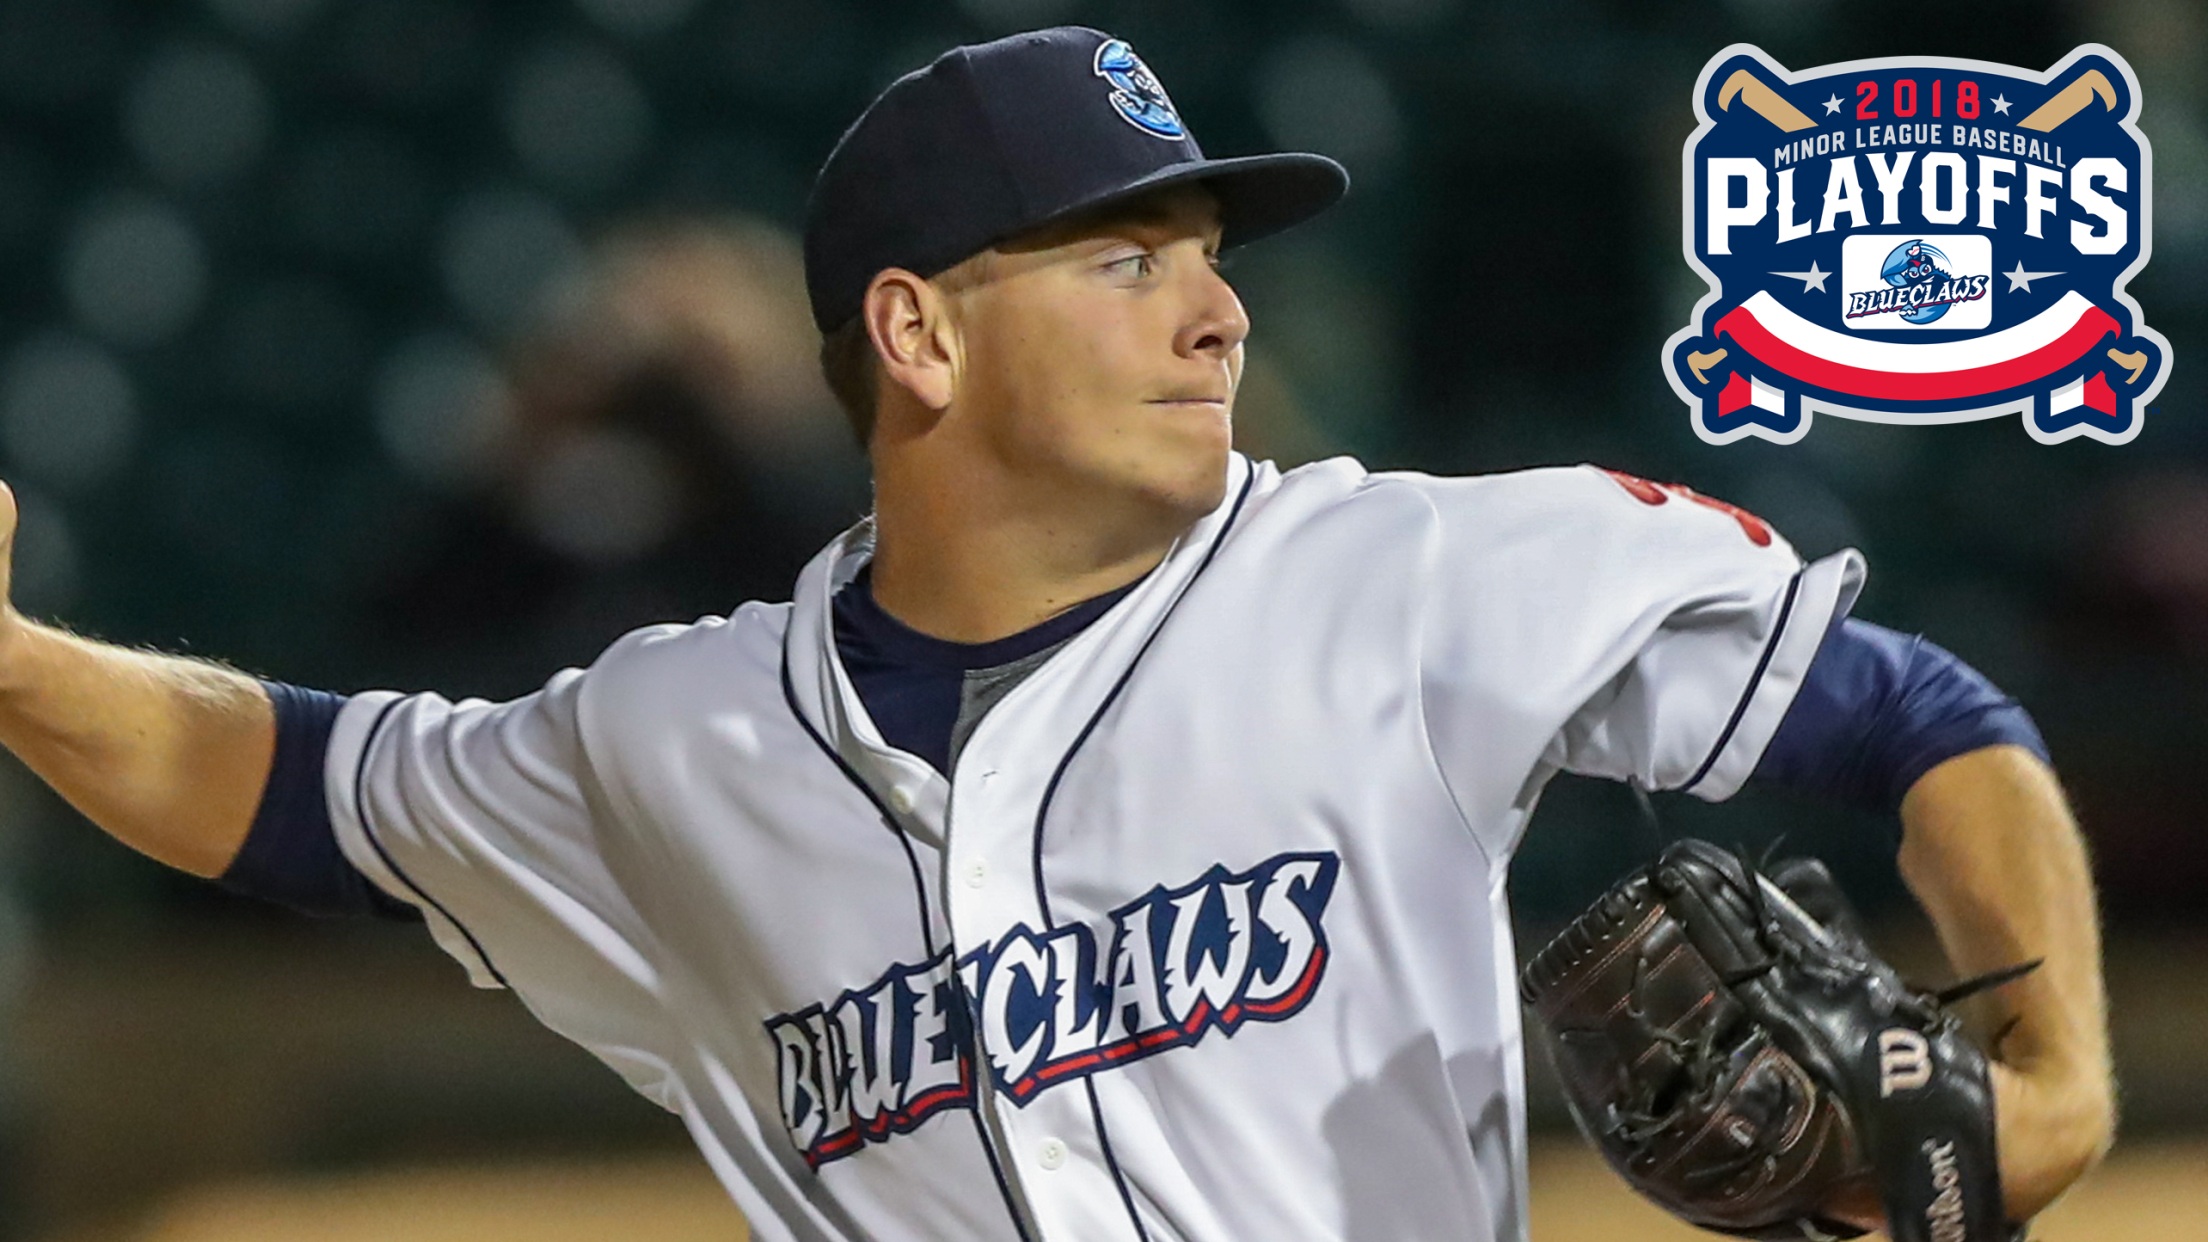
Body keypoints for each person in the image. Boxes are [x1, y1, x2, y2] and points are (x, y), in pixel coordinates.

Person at [0, 26, 2111, 1242]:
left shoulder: (1407, 575)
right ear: (918, 336)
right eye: (1125, 261)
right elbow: (294, 782)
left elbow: (1919, 716)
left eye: (1209, 256)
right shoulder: (673, 739)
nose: (1220, 312)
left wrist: (2059, 1081)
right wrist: (12, 664)